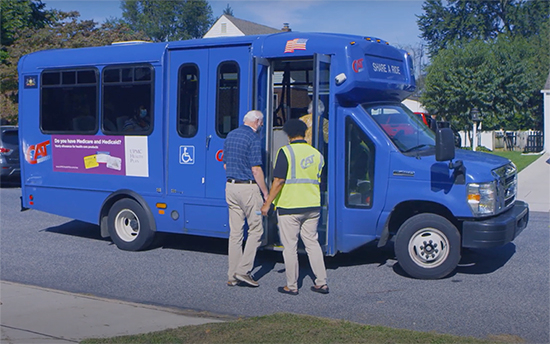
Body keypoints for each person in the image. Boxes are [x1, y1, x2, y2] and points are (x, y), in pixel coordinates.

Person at [261, 119, 328, 295]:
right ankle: (321, 282)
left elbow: (279, 181)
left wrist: (268, 203)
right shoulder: (317, 154)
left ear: (288, 134)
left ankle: (291, 286)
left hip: (290, 206)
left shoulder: (286, 152)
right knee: (312, 244)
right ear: (304, 133)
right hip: (312, 205)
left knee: (290, 247)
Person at [223, 110, 269, 287]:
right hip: (248, 188)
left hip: (230, 186)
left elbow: (225, 164)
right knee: (256, 230)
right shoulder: (253, 138)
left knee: (235, 233)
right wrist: (265, 192)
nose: (262, 126)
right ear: (257, 121)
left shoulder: (231, 135)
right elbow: (256, 169)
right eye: (262, 122)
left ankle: (232, 275)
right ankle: (243, 271)